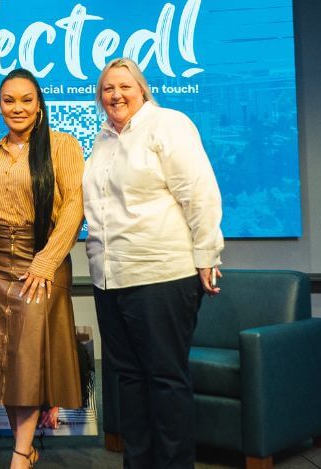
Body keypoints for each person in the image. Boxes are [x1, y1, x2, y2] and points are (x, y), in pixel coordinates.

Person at [84, 57, 224, 468]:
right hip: (110, 277)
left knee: (165, 379)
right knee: (128, 380)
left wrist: (206, 255)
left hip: (161, 273)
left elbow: (198, 192)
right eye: (107, 89)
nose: (115, 95)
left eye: (124, 86)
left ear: (142, 89)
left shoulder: (168, 124)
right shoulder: (103, 140)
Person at [0, 68, 85, 469]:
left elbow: (75, 207)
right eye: (9, 100)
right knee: (3, 361)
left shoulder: (62, 146)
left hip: (40, 257)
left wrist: (45, 262)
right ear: (0, 105)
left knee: (27, 357)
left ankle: (20, 455)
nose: (17, 107)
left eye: (26, 99)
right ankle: (24, 445)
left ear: (39, 103)